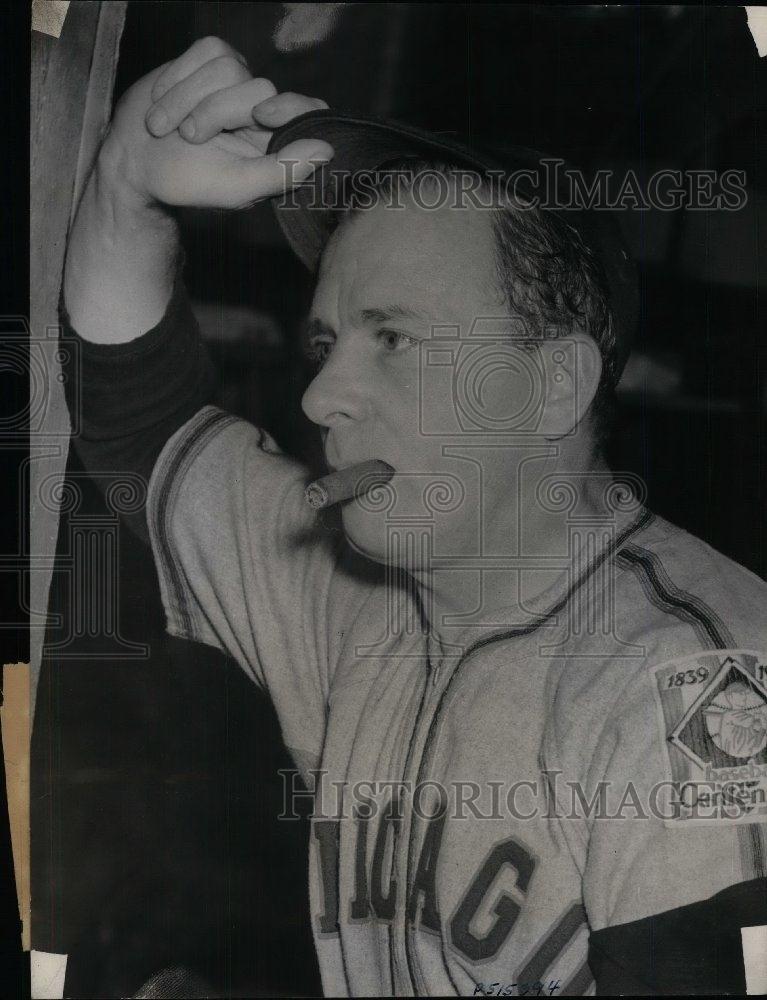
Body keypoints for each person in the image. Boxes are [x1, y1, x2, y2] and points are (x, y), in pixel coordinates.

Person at [61, 37, 766, 997]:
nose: (319, 398)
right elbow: (141, 426)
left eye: (393, 337)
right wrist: (122, 193)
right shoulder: (359, 593)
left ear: (551, 386)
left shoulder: (697, 683)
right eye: (326, 341)